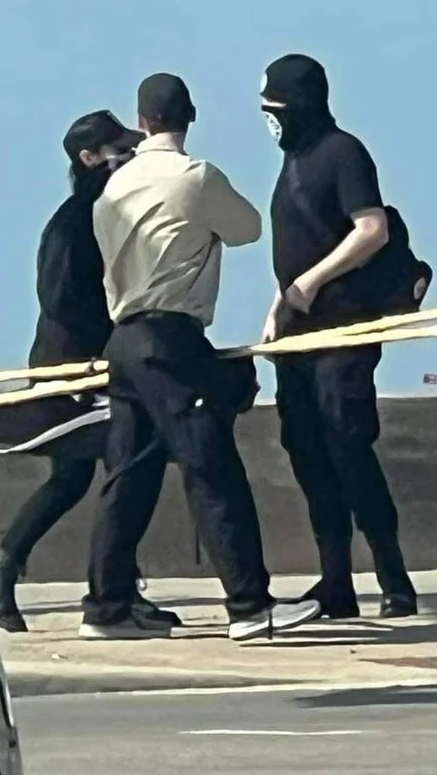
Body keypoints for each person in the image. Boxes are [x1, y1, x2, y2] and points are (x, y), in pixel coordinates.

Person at [80, 73, 321, 641]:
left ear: (141, 122)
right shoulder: (195, 176)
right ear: (189, 118)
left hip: (124, 341)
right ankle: (248, 606)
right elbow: (247, 229)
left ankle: (107, 606)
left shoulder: (111, 190)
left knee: (128, 476)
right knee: (211, 467)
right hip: (171, 336)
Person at [0, 111, 179, 633]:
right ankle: (9, 575)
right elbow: (60, 299)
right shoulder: (78, 219)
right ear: (89, 158)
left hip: (93, 366)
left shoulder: (106, 212)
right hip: (73, 372)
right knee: (124, 466)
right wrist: (101, 347)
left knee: (94, 474)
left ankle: (108, 586)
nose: (130, 155)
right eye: (119, 149)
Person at [260, 54, 425, 619]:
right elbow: (299, 245)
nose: (270, 121)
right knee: (307, 452)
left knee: (348, 448)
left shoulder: (343, 152)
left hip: (343, 330)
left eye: (276, 110)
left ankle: (393, 577)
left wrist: (310, 282)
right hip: (297, 338)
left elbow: (371, 229)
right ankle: (336, 581)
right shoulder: (294, 163)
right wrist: (278, 307)